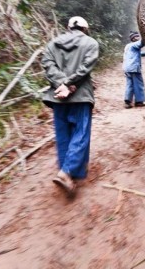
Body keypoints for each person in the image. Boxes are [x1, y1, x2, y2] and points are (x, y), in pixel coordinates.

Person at [41, 16, 99, 197]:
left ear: (68, 27)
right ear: (85, 28)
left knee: (63, 135)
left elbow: (47, 64)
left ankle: (70, 174)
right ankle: (67, 172)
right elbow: (86, 67)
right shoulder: (90, 43)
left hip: (58, 97)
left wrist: (60, 84)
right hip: (80, 96)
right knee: (80, 133)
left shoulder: (52, 44)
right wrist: (68, 83)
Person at [122, 31, 145, 109]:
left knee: (130, 85)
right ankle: (139, 101)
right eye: (137, 37)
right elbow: (141, 43)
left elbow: (132, 54)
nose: (138, 38)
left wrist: (143, 54)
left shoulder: (128, 46)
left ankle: (127, 102)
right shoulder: (135, 44)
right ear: (133, 38)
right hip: (134, 68)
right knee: (138, 84)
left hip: (127, 68)